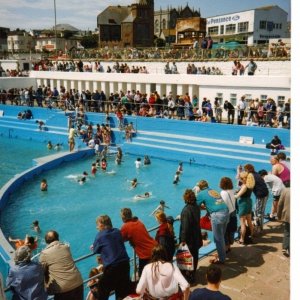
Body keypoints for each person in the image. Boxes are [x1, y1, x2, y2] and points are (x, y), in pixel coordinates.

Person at [91, 215, 133, 300]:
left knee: (102, 289)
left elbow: (95, 250)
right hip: (125, 263)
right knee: (122, 291)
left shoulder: (100, 235)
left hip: (113, 266)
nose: (97, 227)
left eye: (98, 225)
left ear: (102, 225)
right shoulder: (117, 231)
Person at [39, 230, 83, 299]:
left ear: (46, 241)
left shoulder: (44, 254)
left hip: (63, 289)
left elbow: (41, 271)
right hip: (78, 282)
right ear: (58, 238)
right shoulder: (66, 247)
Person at [197, 180, 229, 264]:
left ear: (200, 187)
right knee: (221, 237)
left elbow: (195, 206)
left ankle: (221, 260)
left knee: (218, 239)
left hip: (217, 216)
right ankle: (221, 255)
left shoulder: (201, 193)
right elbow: (214, 203)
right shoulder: (213, 190)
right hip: (226, 212)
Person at [120, 208, 158, 277]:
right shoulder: (138, 222)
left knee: (143, 276)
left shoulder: (125, 226)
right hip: (155, 248)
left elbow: (120, 239)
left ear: (123, 217)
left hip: (146, 254)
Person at [179, 189, 202, 283]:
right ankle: (193, 273)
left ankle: (188, 275)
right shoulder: (196, 207)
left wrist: (183, 240)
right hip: (196, 234)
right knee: (195, 255)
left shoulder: (186, 210)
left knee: (187, 257)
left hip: (189, 238)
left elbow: (185, 226)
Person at [244, 164, 269, 233]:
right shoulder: (256, 174)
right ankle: (260, 228)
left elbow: (249, 186)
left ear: (247, 170)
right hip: (264, 193)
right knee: (260, 211)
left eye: (245, 170)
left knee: (257, 212)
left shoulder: (251, 176)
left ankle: (259, 229)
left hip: (261, 195)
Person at [234, 171, 254, 245]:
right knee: (249, 221)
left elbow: (237, 196)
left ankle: (242, 239)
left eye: (241, 178)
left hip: (243, 204)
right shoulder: (250, 185)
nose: (240, 179)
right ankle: (251, 236)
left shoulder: (244, 186)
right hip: (249, 202)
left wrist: (230, 194)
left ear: (244, 179)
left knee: (242, 223)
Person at [219, 177, 237, 253]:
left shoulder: (222, 192)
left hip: (226, 213)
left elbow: (221, 204)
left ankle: (226, 248)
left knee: (225, 231)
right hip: (233, 211)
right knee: (231, 230)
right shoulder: (233, 191)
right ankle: (229, 245)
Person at [277, 187, 290, 257]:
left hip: (288, 215)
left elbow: (280, 204)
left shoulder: (285, 190)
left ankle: (285, 247)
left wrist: (279, 215)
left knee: (287, 231)